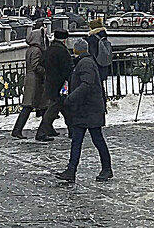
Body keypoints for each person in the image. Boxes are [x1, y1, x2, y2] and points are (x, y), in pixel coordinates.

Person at [55, 38, 112, 183]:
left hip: (89, 109)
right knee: (77, 140)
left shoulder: (85, 63)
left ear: (76, 50)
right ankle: (71, 170)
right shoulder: (84, 62)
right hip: (85, 109)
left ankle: (106, 169)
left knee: (97, 140)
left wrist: (70, 99)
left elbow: (86, 85)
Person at [36, 29, 74, 140]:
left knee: (65, 109)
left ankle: (72, 130)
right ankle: (41, 132)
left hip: (51, 83)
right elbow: (67, 68)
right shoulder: (62, 51)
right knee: (54, 110)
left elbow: (42, 63)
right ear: (64, 40)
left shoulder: (50, 49)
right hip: (60, 85)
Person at [11, 26, 48, 139]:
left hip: (32, 79)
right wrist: (45, 71)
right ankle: (18, 130)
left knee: (41, 106)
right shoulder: (36, 50)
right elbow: (35, 66)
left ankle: (46, 129)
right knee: (29, 106)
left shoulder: (31, 49)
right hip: (35, 81)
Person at [86, 18, 112, 98]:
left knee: (95, 89)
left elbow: (91, 53)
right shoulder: (103, 36)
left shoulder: (93, 39)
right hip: (103, 66)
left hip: (95, 67)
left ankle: (99, 105)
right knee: (100, 87)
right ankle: (102, 104)